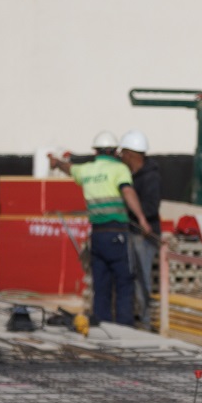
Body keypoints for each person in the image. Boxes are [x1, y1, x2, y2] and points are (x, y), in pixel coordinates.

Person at [61, 138, 152, 325]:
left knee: (101, 283)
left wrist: (55, 163)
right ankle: (124, 325)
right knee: (124, 281)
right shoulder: (119, 169)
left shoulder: (86, 169)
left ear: (96, 151)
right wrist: (142, 218)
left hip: (97, 235)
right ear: (113, 151)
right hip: (117, 233)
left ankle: (102, 322)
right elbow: (127, 191)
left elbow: (69, 168)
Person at [117, 130, 161, 327]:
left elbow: (151, 207)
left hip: (144, 237)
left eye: (124, 153)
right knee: (130, 276)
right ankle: (133, 316)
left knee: (143, 277)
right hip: (131, 232)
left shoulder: (151, 177)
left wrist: (131, 209)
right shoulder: (129, 174)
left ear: (132, 154)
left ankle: (145, 320)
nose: (121, 157)